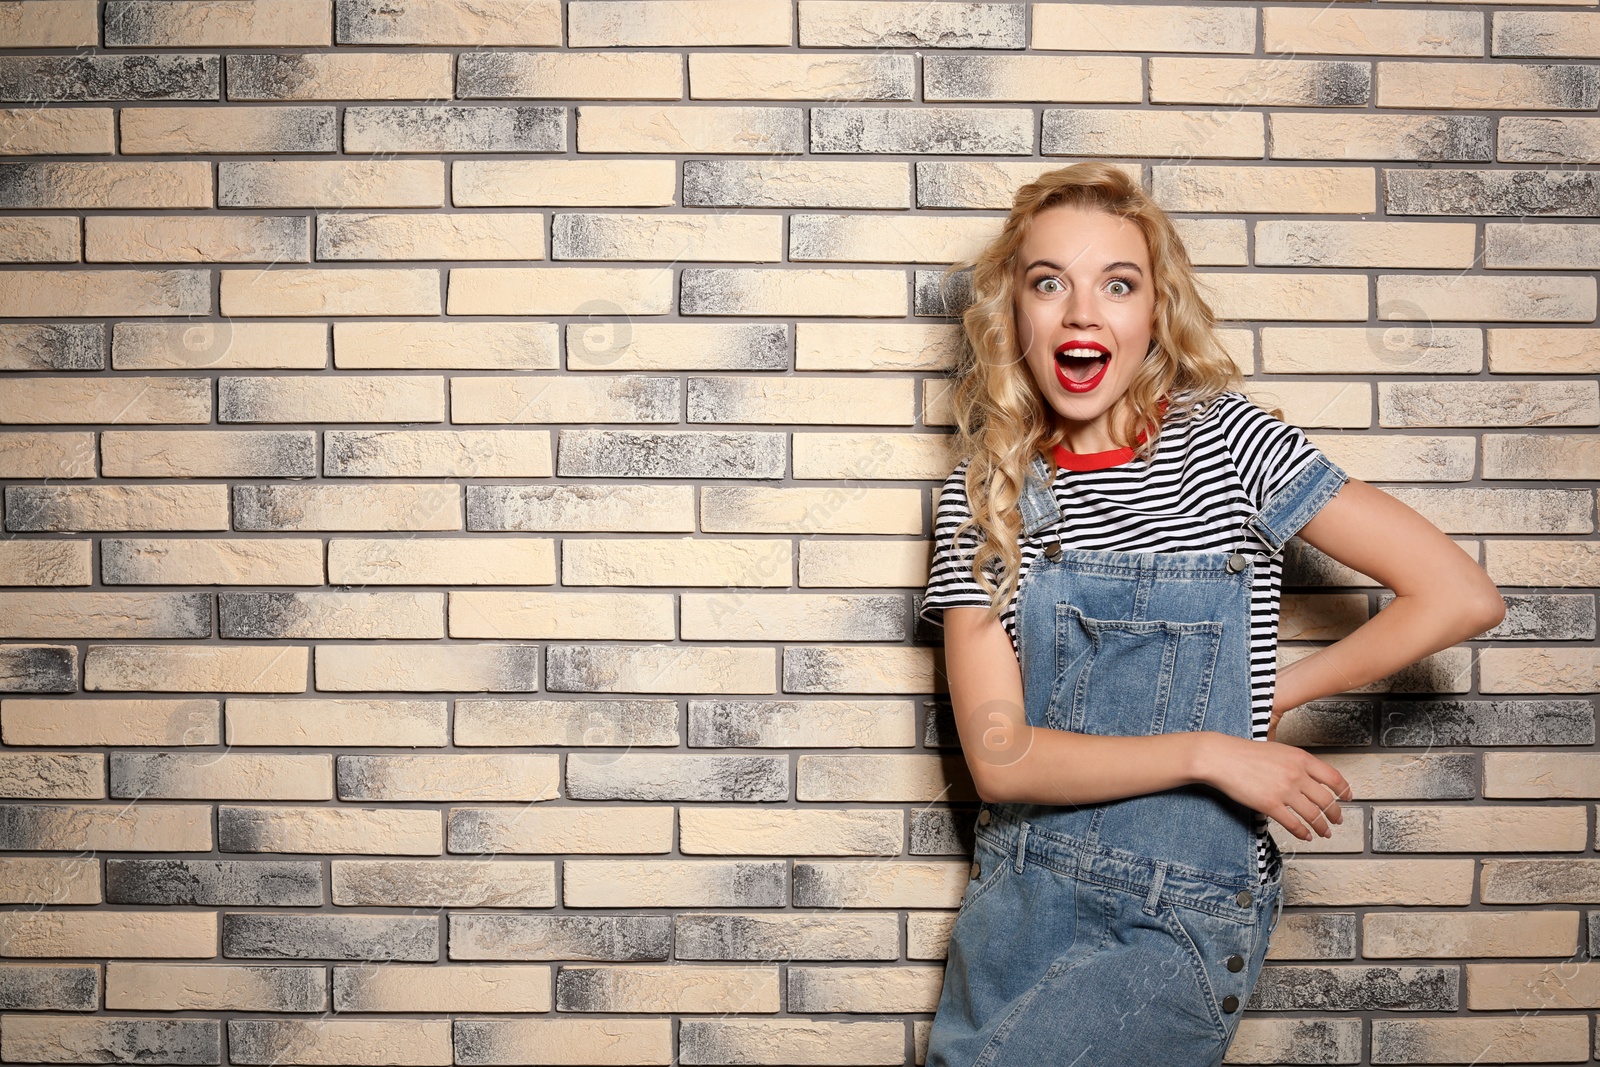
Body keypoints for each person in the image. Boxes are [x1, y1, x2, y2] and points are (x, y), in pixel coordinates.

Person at [919, 162, 1506, 1067]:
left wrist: (1267, 696)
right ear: (1015, 318)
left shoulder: (1228, 445)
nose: (1083, 313)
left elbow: (1460, 593)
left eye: (1118, 284)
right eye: (1050, 284)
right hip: (1019, 905)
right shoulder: (985, 494)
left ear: (1153, 313)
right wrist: (1213, 745)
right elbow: (1002, 759)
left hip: (1174, 912)